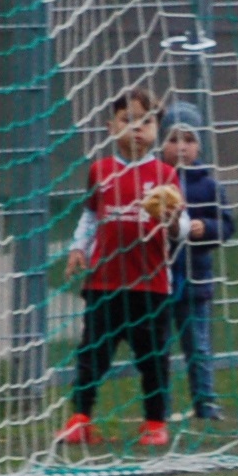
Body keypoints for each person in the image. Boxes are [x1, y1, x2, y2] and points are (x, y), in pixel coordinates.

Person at [57, 86, 182, 450]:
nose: (137, 128)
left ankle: (155, 423)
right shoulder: (100, 171)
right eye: (128, 120)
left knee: (153, 358)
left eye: (146, 121)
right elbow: (90, 216)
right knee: (91, 354)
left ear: (157, 129)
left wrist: (174, 222)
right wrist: (78, 248)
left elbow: (181, 225)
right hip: (104, 283)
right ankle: (80, 419)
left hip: (151, 285)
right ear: (111, 127)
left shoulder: (165, 174)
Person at [159, 103, 235, 426]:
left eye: (189, 140)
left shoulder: (208, 186)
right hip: (157, 281)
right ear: (162, 143)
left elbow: (227, 225)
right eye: (174, 139)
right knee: (158, 348)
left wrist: (208, 228)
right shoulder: (153, 182)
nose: (181, 147)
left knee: (198, 346)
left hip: (195, 281)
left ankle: (205, 403)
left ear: (199, 146)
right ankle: (158, 408)